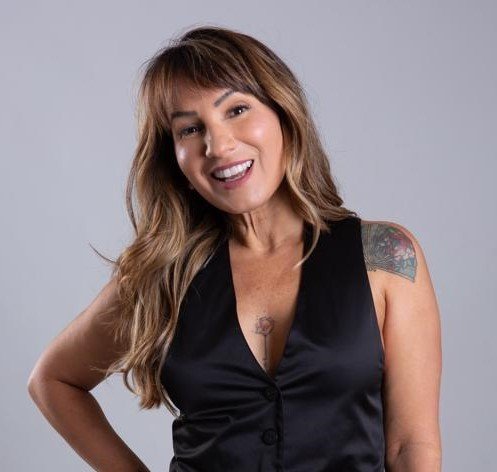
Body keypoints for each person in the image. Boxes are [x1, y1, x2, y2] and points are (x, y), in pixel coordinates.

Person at [27, 25, 442, 471]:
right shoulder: (163, 275)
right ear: (174, 157)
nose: (219, 145)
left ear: (283, 113)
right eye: (190, 129)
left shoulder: (384, 258)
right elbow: (53, 380)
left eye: (237, 109)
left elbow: (410, 445)